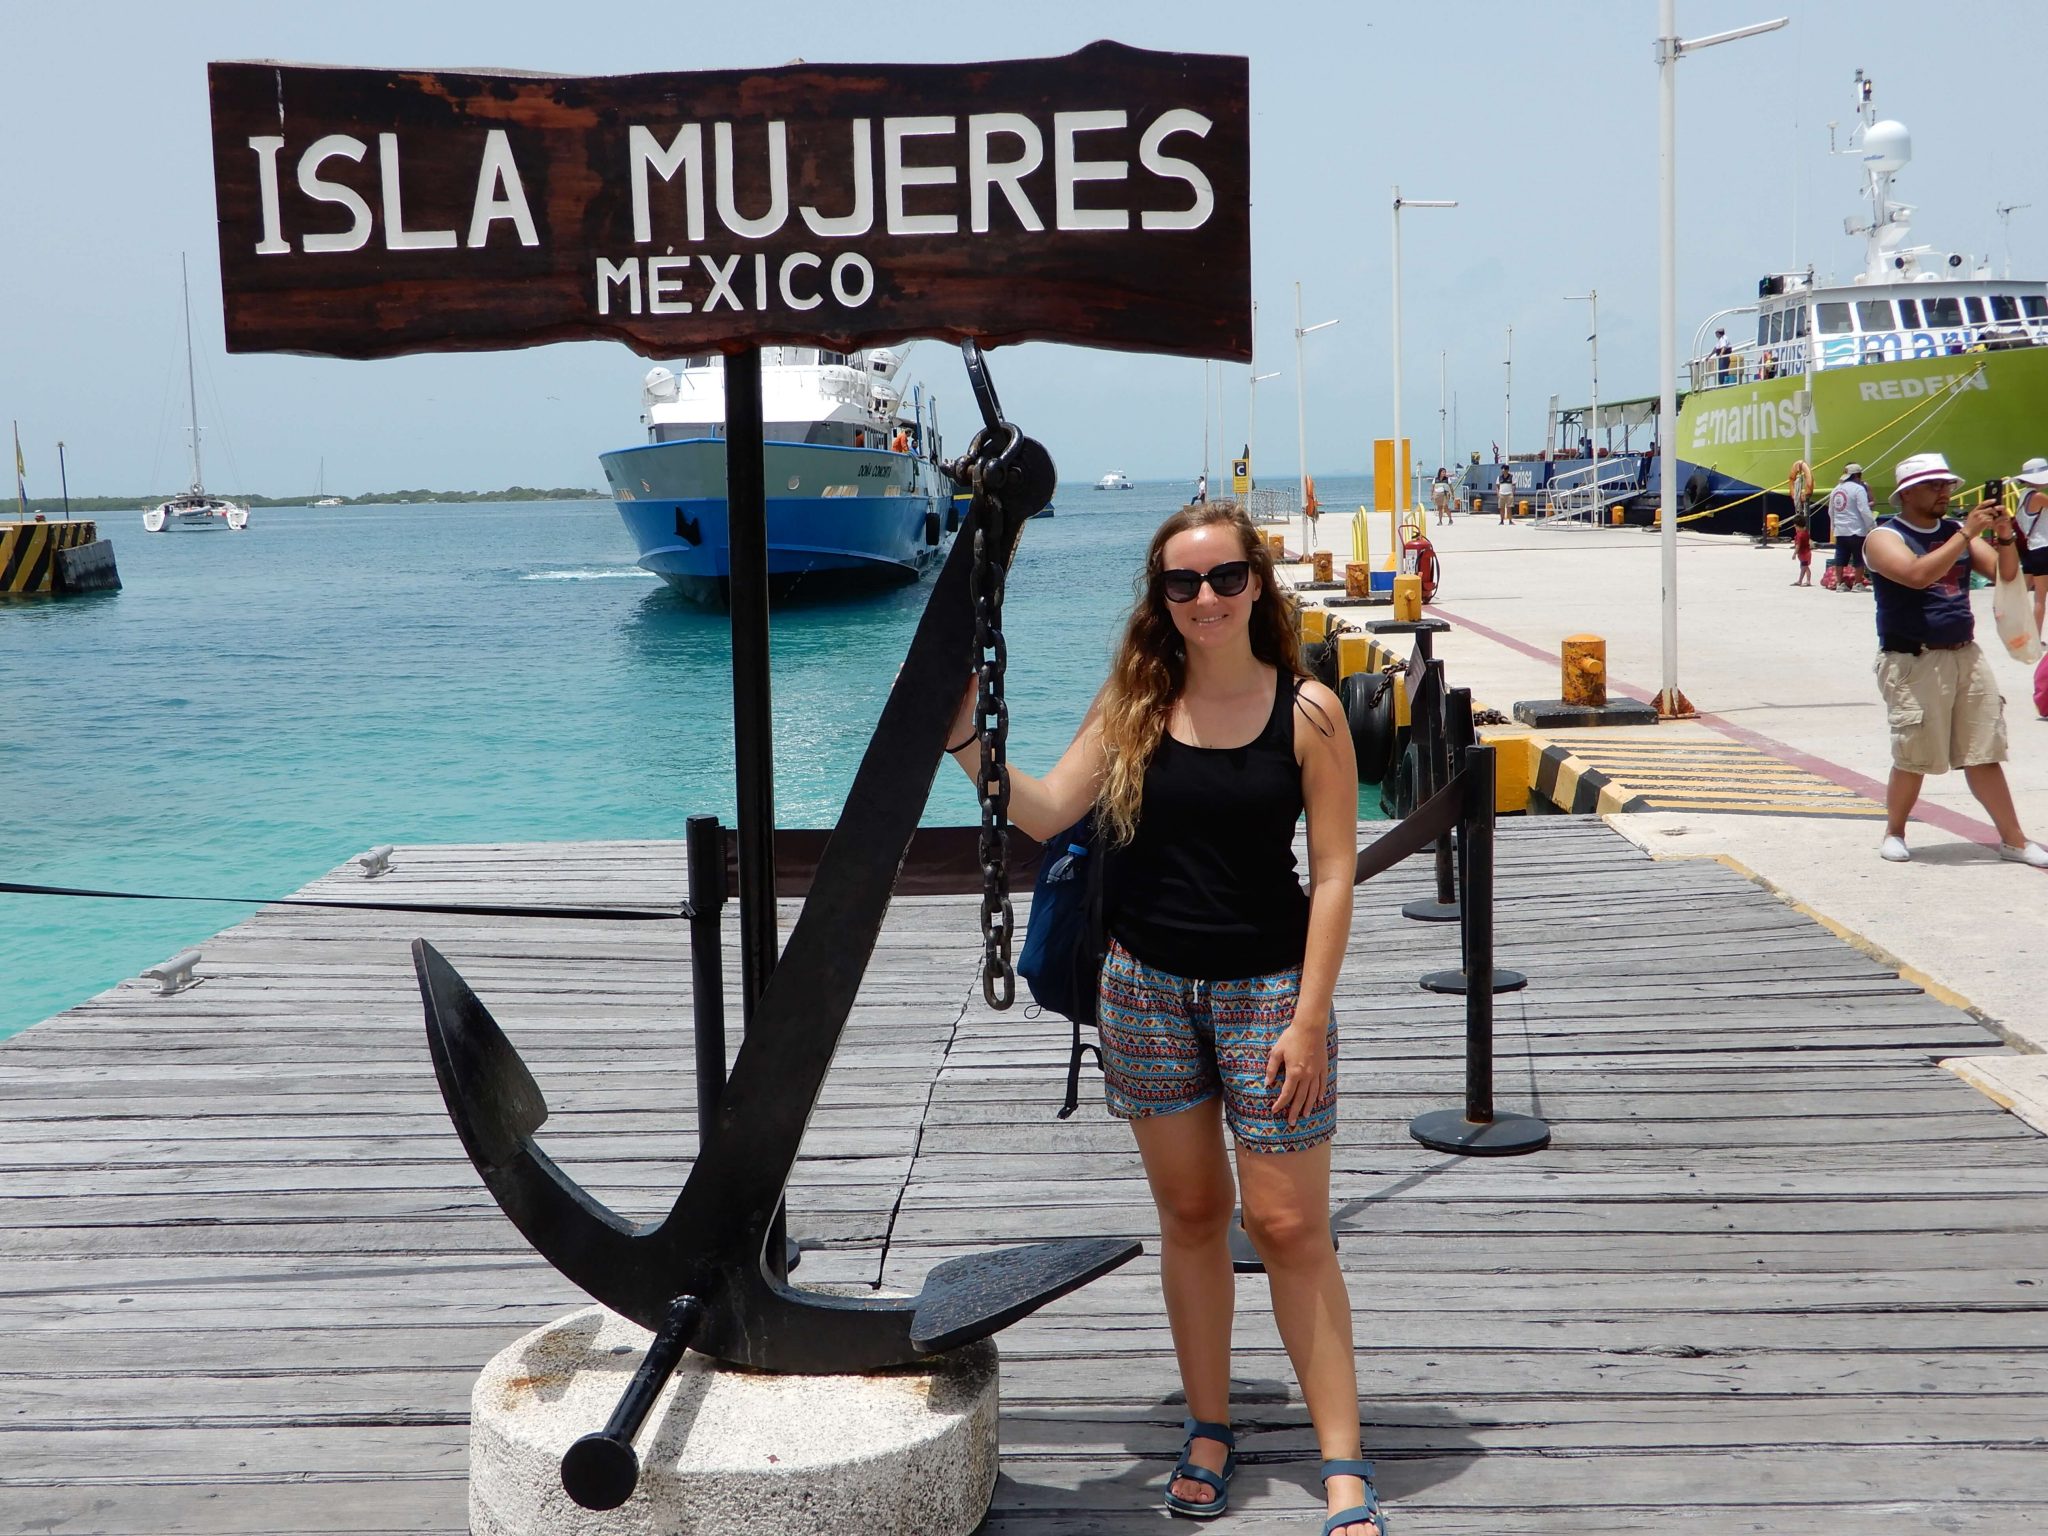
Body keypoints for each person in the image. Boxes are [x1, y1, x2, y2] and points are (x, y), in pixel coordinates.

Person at [944, 502, 1383, 1535]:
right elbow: (1049, 808)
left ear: (1255, 586)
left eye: (1223, 578)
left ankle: (1343, 1461)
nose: (1202, 600)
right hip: (1141, 989)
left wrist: (1310, 1018)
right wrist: (963, 740)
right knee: (1189, 1218)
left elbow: (1330, 873)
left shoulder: (1307, 713)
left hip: (1268, 991)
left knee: (1287, 1227)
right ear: (1160, 599)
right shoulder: (1136, 702)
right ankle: (1207, 1426)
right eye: (1180, 585)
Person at [1862, 452, 2047, 867]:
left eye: (1948, 485)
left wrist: (2003, 535)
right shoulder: (1884, 537)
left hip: (1966, 654)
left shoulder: (1952, 531)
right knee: (1915, 755)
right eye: (1935, 486)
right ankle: (1895, 830)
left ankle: (2014, 840)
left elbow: (2007, 574)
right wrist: (1965, 535)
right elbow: (1916, 575)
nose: (1945, 492)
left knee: (1985, 750)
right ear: (1907, 493)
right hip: (1913, 659)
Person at [2015, 456, 2048, 638]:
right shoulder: (2038, 496)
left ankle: (2020, 631)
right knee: (2040, 598)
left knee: (2024, 594)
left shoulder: (2023, 495)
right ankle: (2035, 637)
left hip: (2031, 548)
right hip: (2043, 547)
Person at [1828, 464, 1873, 592]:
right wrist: (1871, 525)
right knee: (1859, 557)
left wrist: (1834, 526)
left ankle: (1839, 583)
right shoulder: (1858, 489)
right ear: (1857, 475)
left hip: (1840, 530)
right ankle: (1858, 583)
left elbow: (1831, 511)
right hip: (1856, 529)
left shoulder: (1836, 489)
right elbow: (1864, 509)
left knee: (1841, 557)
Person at [1793, 519, 1812, 585]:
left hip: (1803, 554)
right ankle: (1804, 580)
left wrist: (1794, 554)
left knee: (1804, 568)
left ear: (1798, 526)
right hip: (1807, 552)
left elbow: (1798, 546)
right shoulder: (1805, 532)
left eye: (1795, 526)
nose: (1795, 528)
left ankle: (1804, 581)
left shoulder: (1799, 535)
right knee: (1804, 567)